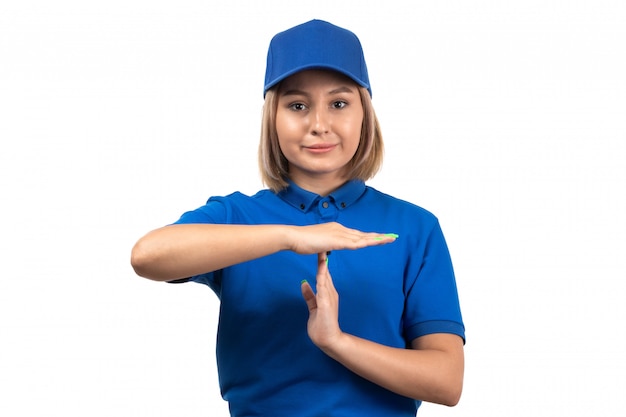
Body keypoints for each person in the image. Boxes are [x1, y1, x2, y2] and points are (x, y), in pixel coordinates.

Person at [131, 19, 465, 416]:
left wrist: (337, 342)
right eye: (297, 106)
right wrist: (289, 237)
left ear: (364, 114)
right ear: (273, 118)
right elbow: (147, 256)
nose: (319, 125)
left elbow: (447, 380)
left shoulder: (414, 227)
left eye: (339, 104)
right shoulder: (237, 216)